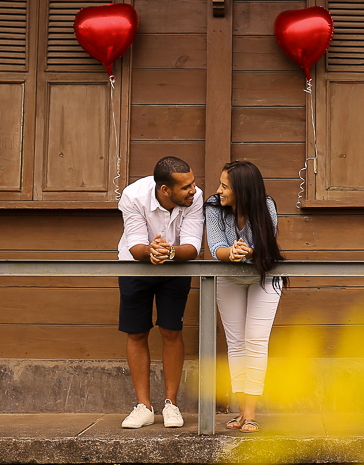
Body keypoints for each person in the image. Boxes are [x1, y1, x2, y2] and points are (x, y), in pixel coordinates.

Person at [117, 156, 202, 429]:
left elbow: (193, 246)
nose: (193, 190)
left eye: (193, 183)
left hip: (176, 268)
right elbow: (135, 246)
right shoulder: (132, 196)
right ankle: (143, 407)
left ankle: (170, 405)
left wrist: (169, 252)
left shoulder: (195, 198)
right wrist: (150, 251)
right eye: (186, 187)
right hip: (135, 268)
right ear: (165, 190)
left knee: (171, 331)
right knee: (136, 332)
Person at [205, 160, 286, 434]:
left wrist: (249, 252)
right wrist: (230, 253)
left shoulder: (266, 206)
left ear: (243, 189)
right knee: (236, 344)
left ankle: (250, 414)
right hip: (230, 278)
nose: (218, 191)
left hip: (264, 278)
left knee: (255, 341)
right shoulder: (214, 207)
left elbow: (267, 246)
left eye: (225, 186)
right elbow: (215, 245)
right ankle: (241, 412)